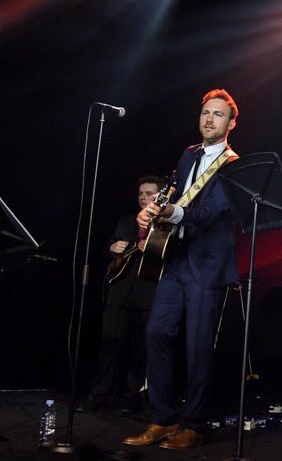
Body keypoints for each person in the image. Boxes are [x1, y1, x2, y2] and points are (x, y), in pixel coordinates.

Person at [122, 89, 241, 451]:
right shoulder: (188, 155)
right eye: (206, 112)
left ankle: (194, 423)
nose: (209, 119)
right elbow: (174, 193)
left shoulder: (234, 164)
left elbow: (208, 215)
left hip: (207, 263)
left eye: (218, 115)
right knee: (157, 332)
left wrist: (172, 213)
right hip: (175, 258)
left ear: (231, 123)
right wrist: (153, 210)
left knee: (198, 347)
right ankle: (162, 418)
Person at [85, 175, 164, 413]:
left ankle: (133, 398)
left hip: (148, 292)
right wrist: (111, 248)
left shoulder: (166, 223)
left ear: (160, 196)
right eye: (141, 193)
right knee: (110, 340)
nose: (143, 197)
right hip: (120, 291)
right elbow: (107, 249)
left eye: (149, 193)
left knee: (141, 348)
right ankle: (99, 394)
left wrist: (151, 248)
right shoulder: (125, 221)